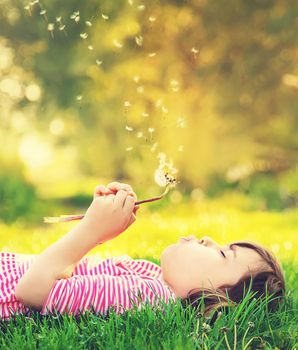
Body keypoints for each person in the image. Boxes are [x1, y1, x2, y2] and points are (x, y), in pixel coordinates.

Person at [0, 182, 285, 321]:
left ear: (216, 296)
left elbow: (33, 289)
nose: (209, 239)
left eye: (223, 254)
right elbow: (70, 269)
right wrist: (101, 225)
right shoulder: (153, 277)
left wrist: (90, 231)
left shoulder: (149, 297)